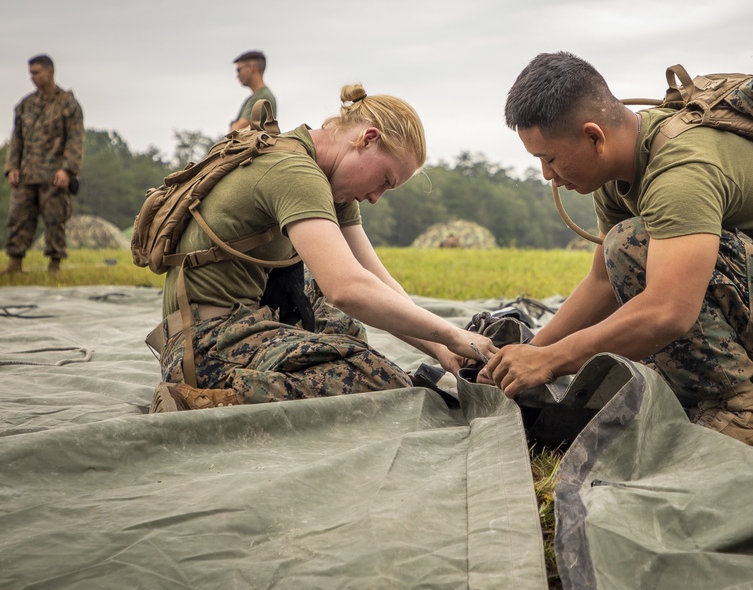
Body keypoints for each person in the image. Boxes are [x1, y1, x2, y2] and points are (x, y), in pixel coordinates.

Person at [483, 51, 753, 454]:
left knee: (630, 247)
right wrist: (528, 355)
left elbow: (668, 312)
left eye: (549, 158)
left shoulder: (682, 170)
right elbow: (602, 282)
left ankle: (742, 417)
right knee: (628, 388)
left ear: (594, 137)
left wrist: (553, 360)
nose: (547, 175)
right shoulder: (615, 172)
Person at [149, 84, 497, 412]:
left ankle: (271, 376)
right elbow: (347, 289)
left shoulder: (327, 176)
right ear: (368, 139)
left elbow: (374, 281)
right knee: (380, 380)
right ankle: (204, 398)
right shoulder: (295, 171)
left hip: (246, 320)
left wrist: (444, 350)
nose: (376, 197)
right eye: (384, 181)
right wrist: (454, 334)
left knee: (350, 331)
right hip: (203, 346)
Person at [3, 54, 84, 274]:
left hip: (54, 174)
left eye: (36, 72)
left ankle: (54, 265)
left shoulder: (67, 104)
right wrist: (11, 168)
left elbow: (75, 140)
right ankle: (14, 263)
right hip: (27, 174)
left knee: (54, 220)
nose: (33, 77)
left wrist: (68, 170)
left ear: (50, 72)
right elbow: (16, 139)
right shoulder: (26, 105)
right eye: (30, 73)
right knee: (18, 217)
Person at [229, 50, 277, 132]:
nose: (237, 75)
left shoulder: (261, 97)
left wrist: (233, 125)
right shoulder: (257, 96)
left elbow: (236, 131)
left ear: (251, 67)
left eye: (238, 70)